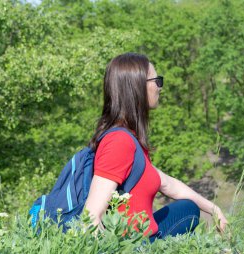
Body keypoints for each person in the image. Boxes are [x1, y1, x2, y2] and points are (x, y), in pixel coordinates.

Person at [84, 52, 228, 243]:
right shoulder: (119, 141)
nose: (160, 88)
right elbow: (90, 217)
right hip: (134, 246)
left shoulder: (130, 138)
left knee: (188, 209)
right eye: (157, 81)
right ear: (137, 87)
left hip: (145, 237)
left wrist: (214, 209)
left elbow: (168, 184)